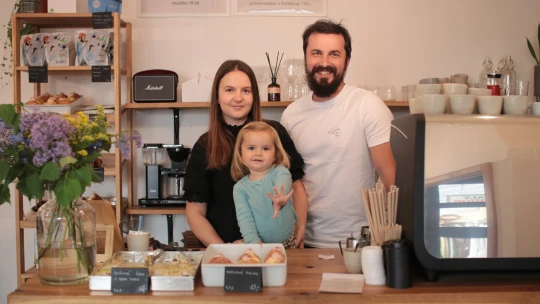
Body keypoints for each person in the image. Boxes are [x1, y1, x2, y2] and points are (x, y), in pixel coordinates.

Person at [280, 20, 396, 248]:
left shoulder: (367, 105)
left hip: (361, 243)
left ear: (347, 60)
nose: (324, 63)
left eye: (334, 54)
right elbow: (291, 181)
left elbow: (391, 177)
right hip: (305, 242)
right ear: (306, 58)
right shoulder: (291, 115)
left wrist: (389, 237)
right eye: (316, 53)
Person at [183, 60, 308, 247]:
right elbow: (195, 212)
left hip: (280, 249)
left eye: (246, 91)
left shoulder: (274, 133)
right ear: (217, 97)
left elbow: (296, 187)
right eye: (229, 90)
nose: (238, 98)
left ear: (254, 96)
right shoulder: (205, 145)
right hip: (227, 252)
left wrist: (300, 227)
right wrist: (224, 251)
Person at [231, 122, 297, 248]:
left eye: (265, 148)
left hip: (287, 243)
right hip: (259, 245)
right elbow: (245, 219)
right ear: (240, 154)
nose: (258, 153)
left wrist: (279, 200)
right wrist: (253, 242)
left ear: (274, 155)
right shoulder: (240, 188)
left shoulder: (280, 171)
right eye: (251, 148)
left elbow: (283, 184)